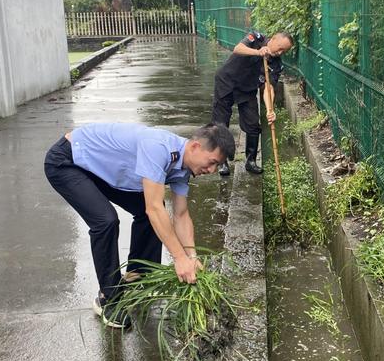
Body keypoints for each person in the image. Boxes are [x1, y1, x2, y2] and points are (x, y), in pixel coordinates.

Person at [44, 122, 235, 328]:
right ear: (196, 147)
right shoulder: (159, 149)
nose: (212, 170)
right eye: (212, 162)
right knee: (106, 220)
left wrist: (191, 257)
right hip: (68, 162)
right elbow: (154, 210)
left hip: (98, 169)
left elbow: (181, 214)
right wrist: (179, 258)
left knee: (151, 210)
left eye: (217, 166)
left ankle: (138, 275)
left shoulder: (183, 168)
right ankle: (109, 298)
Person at [212, 30, 294, 176]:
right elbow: (238, 48)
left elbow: (268, 88)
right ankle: (222, 161)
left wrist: (270, 110)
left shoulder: (276, 64)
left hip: (247, 89)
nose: (280, 52)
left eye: (284, 51)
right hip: (227, 81)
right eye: (280, 48)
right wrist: (258, 52)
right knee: (220, 123)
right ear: (273, 39)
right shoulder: (256, 38)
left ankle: (251, 161)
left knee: (253, 124)